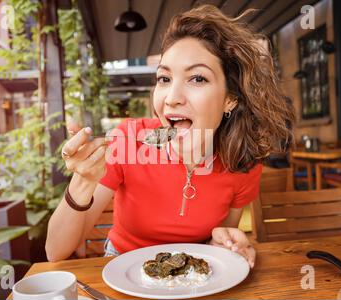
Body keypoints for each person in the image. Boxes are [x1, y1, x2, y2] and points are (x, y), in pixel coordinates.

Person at [46, 5, 294, 268]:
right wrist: (83, 180)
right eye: (164, 79)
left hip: (194, 271)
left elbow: (218, 239)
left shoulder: (242, 162)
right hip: (123, 268)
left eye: (197, 79)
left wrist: (227, 243)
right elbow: (56, 251)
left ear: (230, 99)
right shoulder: (127, 140)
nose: (172, 98)